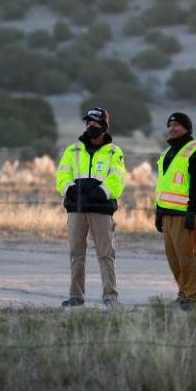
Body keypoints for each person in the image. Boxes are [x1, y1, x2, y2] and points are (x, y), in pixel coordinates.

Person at [55, 107, 126, 307]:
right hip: (76, 209)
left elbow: (117, 179)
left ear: (104, 126)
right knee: (76, 253)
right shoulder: (72, 150)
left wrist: (99, 193)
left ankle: (110, 297)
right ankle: (76, 297)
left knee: (105, 253)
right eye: (88, 122)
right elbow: (62, 176)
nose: (90, 126)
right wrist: (70, 190)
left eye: (94, 122)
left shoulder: (114, 151)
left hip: (101, 209)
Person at [154, 112, 196, 309]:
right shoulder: (166, 153)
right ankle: (182, 292)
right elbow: (163, 185)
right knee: (174, 258)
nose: (172, 128)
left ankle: (192, 296)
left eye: (177, 125)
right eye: (169, 125)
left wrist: (193, 211)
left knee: (188, 256)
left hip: (185, 213)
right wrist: (158, 213)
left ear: (187, 128)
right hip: (167, 213)